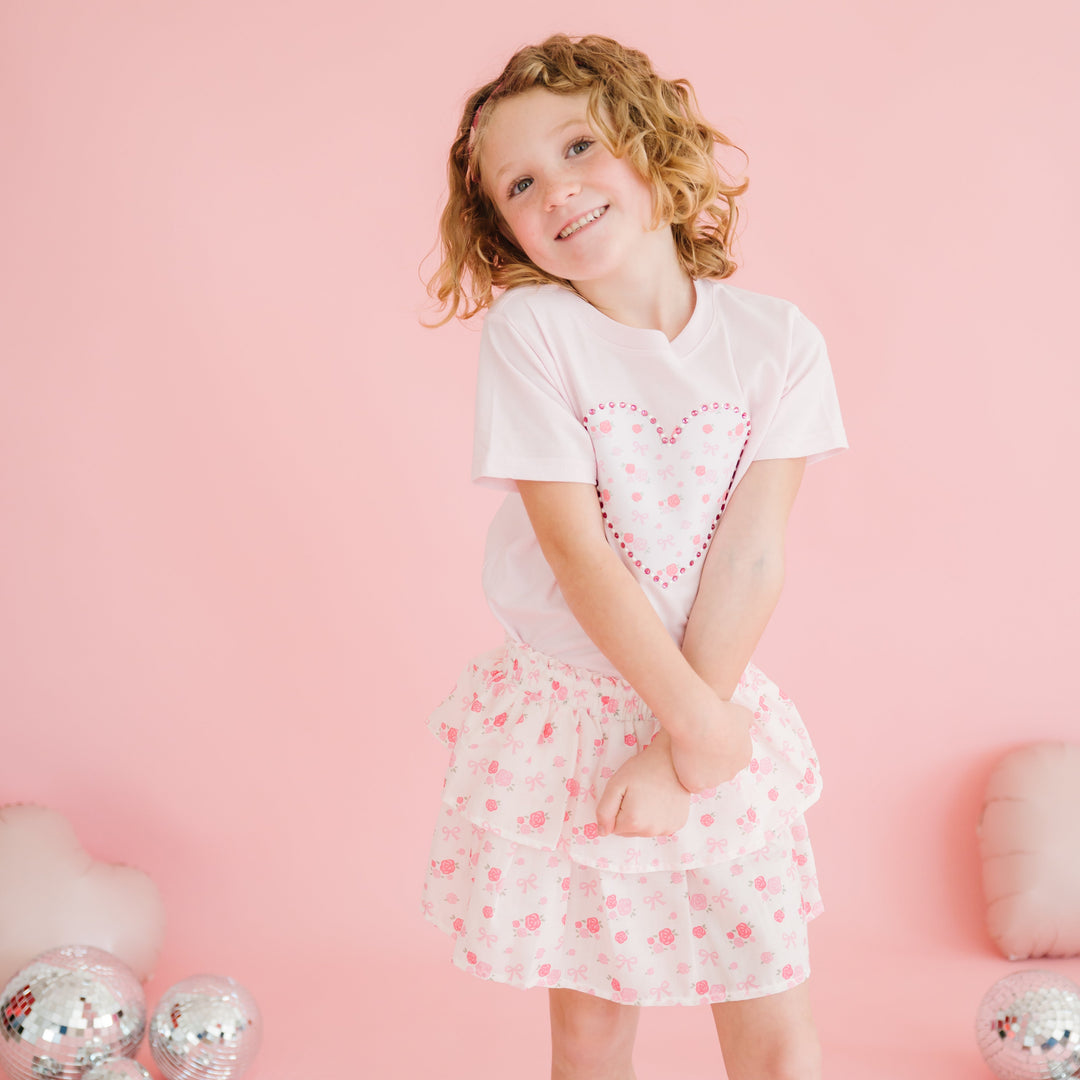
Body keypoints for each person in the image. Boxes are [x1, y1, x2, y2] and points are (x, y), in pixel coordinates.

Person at [419, 33, 847, 1080]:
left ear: (653, 146)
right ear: (503, 228)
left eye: (579, 148)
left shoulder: (779, 343)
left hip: (713, 691)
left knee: (771, 1018)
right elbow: (577, 552)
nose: (557, 189)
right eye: (520, 184)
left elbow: (752, 556)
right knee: (593, 1029)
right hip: (579, 717)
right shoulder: (535, 331)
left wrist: (687, 740)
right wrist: (687, 730)